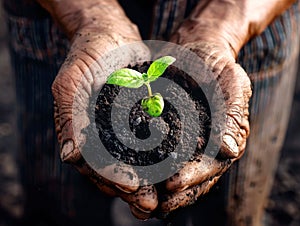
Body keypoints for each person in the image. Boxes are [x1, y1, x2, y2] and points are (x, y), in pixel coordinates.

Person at [2, 0, 299, 225]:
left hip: (249, 22)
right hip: (60, 22)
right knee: (58, 210)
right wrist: (91, 13)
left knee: (227, 211)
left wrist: (225, 18)